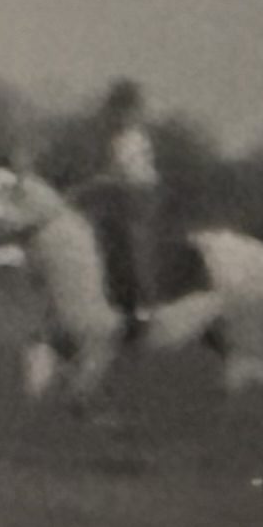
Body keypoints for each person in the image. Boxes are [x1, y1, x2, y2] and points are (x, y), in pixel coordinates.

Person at [80, 77, 165, 334]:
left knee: (133, 244)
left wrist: (95, 183)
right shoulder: (118, 139)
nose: (115, 116)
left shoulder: (133, 139)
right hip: (121, 194)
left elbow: (127, 174)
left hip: (138, 196)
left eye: (120, 110)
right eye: (114, 110)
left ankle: (143, 309)